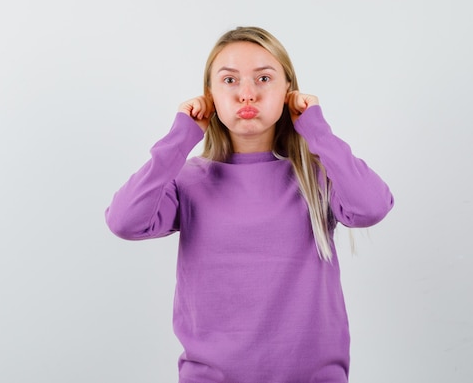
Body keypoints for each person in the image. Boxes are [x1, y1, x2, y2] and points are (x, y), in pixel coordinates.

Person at [105, 26, 394, 383]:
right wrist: (181, 136)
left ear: (288, 91)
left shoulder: (317, 177)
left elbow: (372, 207)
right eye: (229, 80)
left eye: (263, 78)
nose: (247, 94)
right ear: (209, 96)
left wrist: (318, 131)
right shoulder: (188, 181)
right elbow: (124, 221)